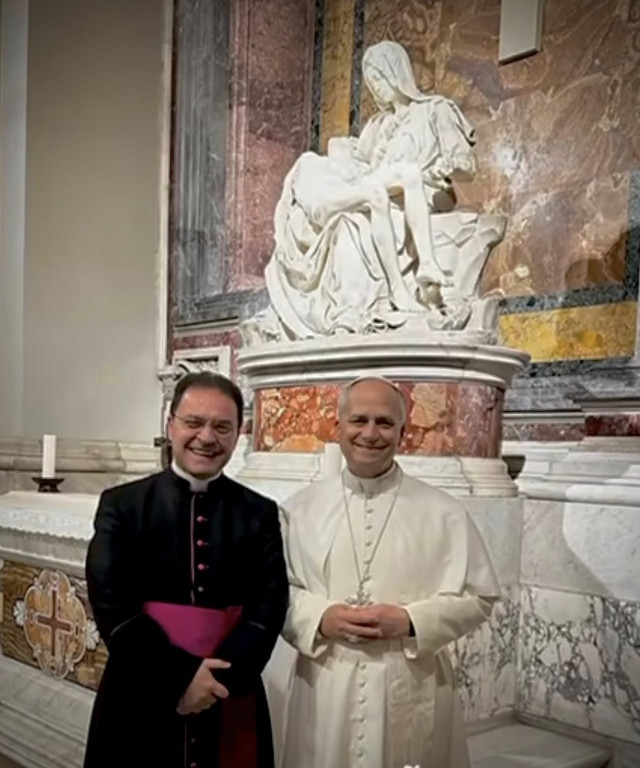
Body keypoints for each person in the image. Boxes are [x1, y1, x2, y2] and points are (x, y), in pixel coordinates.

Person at [280, 376, 501, 768]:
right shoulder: (299, 509)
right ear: (337, 427)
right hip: (328, 677)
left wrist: (411, 620)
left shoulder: (443, 511)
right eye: (358, 420)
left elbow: (480, 596)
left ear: (405, 432)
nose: (370, 433)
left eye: (384, 422)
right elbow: (276, 590)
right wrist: (320, 616)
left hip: (409, 677)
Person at [84, 372, 288, 768]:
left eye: (222, 426)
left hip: (229, 688)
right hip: (142, 683)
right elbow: (112, 604)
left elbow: (270, 605)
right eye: (194, 422)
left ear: (238, 434)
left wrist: (213, 683)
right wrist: (179, 678)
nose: (207, 437)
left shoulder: (259, 512)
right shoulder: (123, 504)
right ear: (170, 424)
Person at [264, 40, 476, 338]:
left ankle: (367, 305)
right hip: (379, 190)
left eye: (378, 78)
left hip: (416, 195)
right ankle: (351, 311)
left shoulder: (435, 110)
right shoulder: (377, 125)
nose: (374, 88)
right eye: (369, 82)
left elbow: (466, 166)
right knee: (345, 217)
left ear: (396, 74)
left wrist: (444, 167)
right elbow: (358, 166)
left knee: (358, 216)